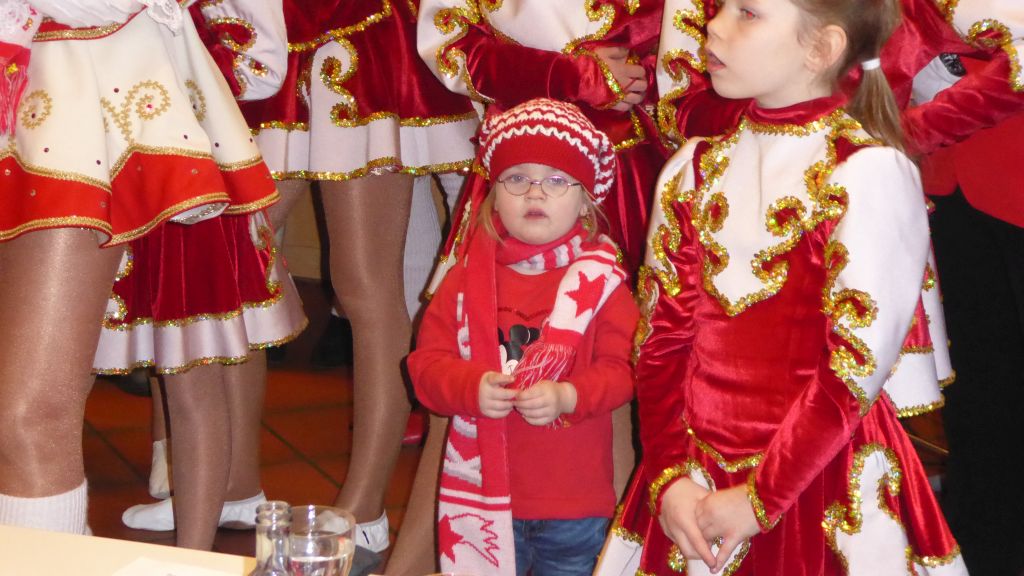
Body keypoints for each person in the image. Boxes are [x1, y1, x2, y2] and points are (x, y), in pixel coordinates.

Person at [595, 0, 967, 573]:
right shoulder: (693, 168)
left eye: (748, 13)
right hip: (691, 483)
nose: (714, 25)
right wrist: (669, 478)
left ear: (821, 48)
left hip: (818, 481)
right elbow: (660, 342)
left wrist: (758, 500)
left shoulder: (866, 174)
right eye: (721, 7)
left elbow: (853, 369)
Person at [0, 0, 304, 550]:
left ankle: (190, 547)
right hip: (77, 103)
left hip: (108, 116)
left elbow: (262, 59)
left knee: (31, 415)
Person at [236, 0, 480, 558]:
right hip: (279, 48)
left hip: (362, 42)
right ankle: (234, 485)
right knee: (235, 253)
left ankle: (364, 508)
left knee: (364, 285)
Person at [408, 98, 638, 576]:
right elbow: (426, 366)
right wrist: (470, 387)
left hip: (574, 505)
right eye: (517, 178)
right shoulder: (465, 279)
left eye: (556, 180)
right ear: (494, 194)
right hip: (483, 503)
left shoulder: (602, 283)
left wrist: (570, 395)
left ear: (585, 198)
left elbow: (623, 372)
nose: (535, 192)